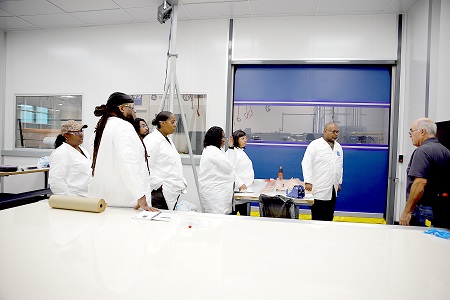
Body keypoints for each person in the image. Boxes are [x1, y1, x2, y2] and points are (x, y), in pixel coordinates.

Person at [87, 92, 158, 212]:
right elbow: (128, 164)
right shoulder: (123, 127)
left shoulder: (100, 128)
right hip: (125, 203)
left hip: (102, 201)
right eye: (133, 108)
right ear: (122, 108)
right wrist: (140, 196)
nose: (135, 112)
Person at [400, 118, 450, 229]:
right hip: (440, 209)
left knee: (418, 243)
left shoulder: (422, 151)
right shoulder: (446, 151)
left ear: (422, 132)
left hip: (423, 210)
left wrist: (407, 212)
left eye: (411, 131)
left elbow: (419, 184)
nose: (410, 135)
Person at [143, 111, 187, 210]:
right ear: (162, 123)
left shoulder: (168, 140)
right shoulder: (152, 140)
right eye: (172, 122)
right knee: (158, 222)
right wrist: (159, 185)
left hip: (170, 191)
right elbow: (146, 166)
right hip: (159, 192)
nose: (175, 125)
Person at [301, 122, 343, 221]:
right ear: (325, 131)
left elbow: (340, 166)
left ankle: (327, 235)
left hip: (332, 188)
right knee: (318, 217)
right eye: (333, 132)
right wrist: (308, 181)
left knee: (329, 216)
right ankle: (316, 236)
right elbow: (306, 163)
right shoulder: (315, 145)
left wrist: (339, 182)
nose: (335, 134)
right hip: (319, 188)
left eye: (337, 132)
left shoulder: (338, 147)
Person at [49, 120, 91, 197]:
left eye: (81, 131)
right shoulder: (61, 152)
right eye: (76, 133)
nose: (81, 135)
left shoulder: (83, 150)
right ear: (66, 136)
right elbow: (56, 180)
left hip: (87, 196)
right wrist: (69, 201)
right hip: (74, 198)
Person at [198, 126, 235, 214]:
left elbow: (229, 164)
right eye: (222, 137)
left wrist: (231, 148)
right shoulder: (212, 151)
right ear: (216, 138)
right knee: (216, 220)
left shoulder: (217, 150)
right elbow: (229, 167)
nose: (224, 140)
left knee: (219, 219)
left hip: (218, 191)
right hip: (215, 192)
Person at [227, 129, 254, 215]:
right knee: (233, 218)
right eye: (242, 138)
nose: (245, 140)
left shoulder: (241, 152)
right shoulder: (232, 152)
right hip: (237, 191)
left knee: (245, 218)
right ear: (236, 140)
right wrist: (240, 184)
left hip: (244, 192)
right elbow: (230, 171)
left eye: (246, 138)